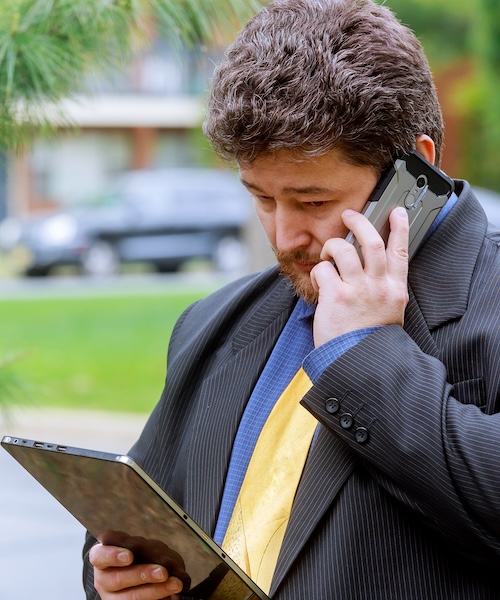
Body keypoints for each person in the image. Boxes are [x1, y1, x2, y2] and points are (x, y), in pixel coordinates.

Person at [82, 0, 500, 598]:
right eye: (262, 197)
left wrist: (364, 353)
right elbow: (143, 511)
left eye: (312, 201)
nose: (283, 237)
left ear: (416, 169)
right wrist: (115, 576)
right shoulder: (212, 322)